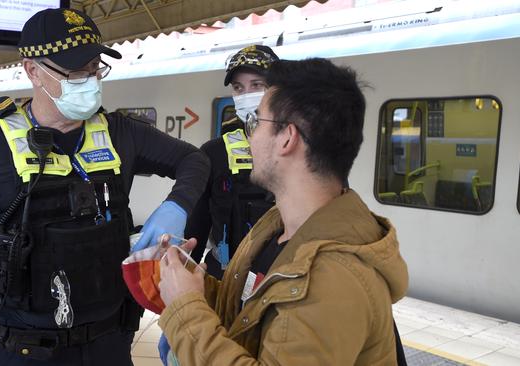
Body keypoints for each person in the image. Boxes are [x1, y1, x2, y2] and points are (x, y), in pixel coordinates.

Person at [0, 8, 208, 366]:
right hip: (22, 351)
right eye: (76, 72)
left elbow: (195, 160)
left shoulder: (120, 134)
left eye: (95, 68)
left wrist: (176, 207)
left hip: (109, 346)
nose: (90, 80)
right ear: (33, 70)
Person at [157, 58, 409, 365]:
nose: (249, 136)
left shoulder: (331, 279)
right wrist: (190, 283)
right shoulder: (277, 226)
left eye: (256, 123)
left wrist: (186, 310)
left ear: (287, 138)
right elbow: (253, 310)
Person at [186, 45, 277, 280]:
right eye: (239, 88)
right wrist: (185, 274)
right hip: (223, 277)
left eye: (256, 85)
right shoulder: (214, 152)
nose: (246, 94)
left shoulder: (299, 149)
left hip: (277, 282)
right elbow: (196, 227)